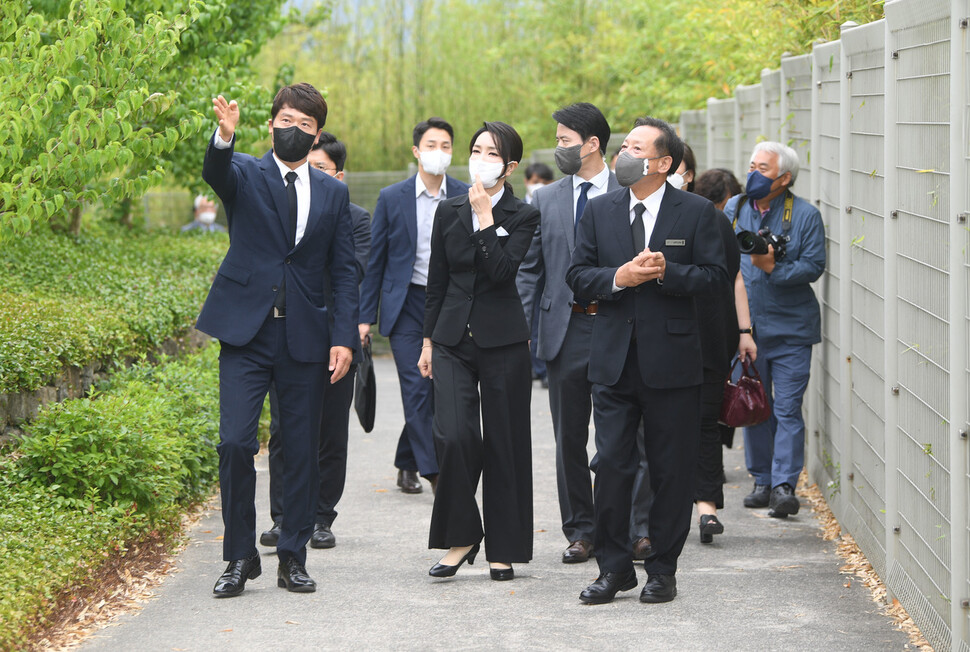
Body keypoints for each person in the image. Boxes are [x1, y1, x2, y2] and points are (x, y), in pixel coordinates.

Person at [200, 84, 359, 597]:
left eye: (305, 125)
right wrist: (223, 137)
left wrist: (343, 338)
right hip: (246, 333)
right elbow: (216, 174)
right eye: (286, 120)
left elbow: (344, 272)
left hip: (305, 337)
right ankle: (241, 556)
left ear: (315, 137)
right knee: (235, 442)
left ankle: (293, 555)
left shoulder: (332, 192)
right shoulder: (245, 171)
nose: (294, 129)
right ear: (271, 124)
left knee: (299, 450)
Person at [566, 117, 727, 605]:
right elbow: (578, 275)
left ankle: (663, 569)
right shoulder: (599, 210)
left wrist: (666, 272)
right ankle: (613, 569)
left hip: (673, 363)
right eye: (624, 147)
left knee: (669, 470)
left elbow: (716, 275)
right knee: (612, 465)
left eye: (636, 148)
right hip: (613, 362)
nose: (623, 155)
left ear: (663, 163)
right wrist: (621, 277)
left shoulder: (697, 212)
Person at [516, 102, 651, 565]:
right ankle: (581, 530)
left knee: (624, 436)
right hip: (564, 327)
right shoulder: (547, 199)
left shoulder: (630, 190)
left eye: (564, 141)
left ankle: (635, 529)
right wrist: (524, 326)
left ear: (592, 144)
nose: (558, 148)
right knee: (569, 436)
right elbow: (531, 270)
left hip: (618, 325)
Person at [419, 121, 539, 582]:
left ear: (509, 166)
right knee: (452, 436)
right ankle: (462, 535)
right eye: (476, 150)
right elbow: (438, 282)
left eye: (491, 153)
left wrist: (488, 218)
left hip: (504, 340)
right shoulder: (448, 210)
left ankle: (504, 548)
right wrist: (428, 340)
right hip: (451, 339)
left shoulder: (524, 214)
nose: (480, 158)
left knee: (505, 443)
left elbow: (504, 273)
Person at [261, 133, 372, 551]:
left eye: (322, 167)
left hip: (333, 335)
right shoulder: (284, 211)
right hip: (287, 334)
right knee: (285, 431)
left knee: (328, 431)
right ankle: (284, 516)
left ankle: (322, 515)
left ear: (338, 176)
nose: (311, 172)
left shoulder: (356, 217)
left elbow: (352, 272)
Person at [358, 118, 469, 495]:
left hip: (448, 306)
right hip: (406, 303)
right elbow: (377, 260)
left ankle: (407, 459)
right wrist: (364, 317)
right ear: (416, 151)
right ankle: (435, 472)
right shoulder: (392, 197)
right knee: (417, 386)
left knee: (440, 389)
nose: (440, 151)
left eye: (447, 145)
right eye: (432, 144)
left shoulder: (466, 194)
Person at [725, 142, 826, 518]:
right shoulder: (735, 209)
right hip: (746, 329)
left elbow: (814, 265)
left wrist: (773, 268)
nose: (753, 173)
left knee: (786, 408)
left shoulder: (805, 215)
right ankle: (762, 479)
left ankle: (785, 485)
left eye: (762, 168)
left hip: (792, 330)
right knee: (753, 405)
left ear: (784, 178)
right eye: (751, 165)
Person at [672, 144, 757, 544]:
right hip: (659, 340)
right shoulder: (631, 215)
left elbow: (733, 278)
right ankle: (661, 509)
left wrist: (743, 332)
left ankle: (706, 508)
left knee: (705, 422)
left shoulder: (713, 220)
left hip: (708, 336)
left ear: (688, 174)